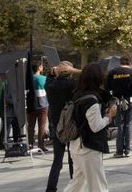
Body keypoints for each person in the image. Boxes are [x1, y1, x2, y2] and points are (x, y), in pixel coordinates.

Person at [64, 63, 116, 192]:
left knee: (77, 182)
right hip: (88, 148)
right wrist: (109, 117)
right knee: (98, 186)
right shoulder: (91, 100)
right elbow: (96, 126)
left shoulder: (78, 93)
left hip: (76, 145)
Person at [46, 61, 79, 192]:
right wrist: (74, 70)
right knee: (73, 159)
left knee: (57, 161)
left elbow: (49, 78)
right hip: (71, 124)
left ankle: (50, 188)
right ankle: (74, 186)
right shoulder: (73, 85)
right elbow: (91, 79)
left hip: (56, 125)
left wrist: (53, 71)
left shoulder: (50, 85)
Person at [104, 55, 132, 158]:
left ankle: (119, 151)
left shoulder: (112, 73)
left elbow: (107, 87)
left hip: (117, 101)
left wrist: (115, 94)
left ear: (120, 62)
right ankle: (127, 150)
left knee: (120, 126)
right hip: (131, 100)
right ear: (130, 62)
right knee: (128, 125)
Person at [28, 62, 50, 153]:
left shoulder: (29, 79)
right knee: (42, 126)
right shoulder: (44, 78)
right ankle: (41, 145)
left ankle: (30, 143)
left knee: (31, 126)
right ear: (39, 68)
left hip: (31, 104)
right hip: (43, 104)